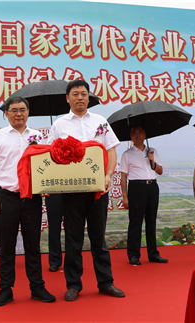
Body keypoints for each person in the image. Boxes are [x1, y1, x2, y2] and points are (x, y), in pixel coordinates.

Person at [47, 79, 125, 301]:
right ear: (67, 98)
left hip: (98, 189)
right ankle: (73, 284)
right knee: (73, 239)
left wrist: (108, 175)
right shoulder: (59, 124)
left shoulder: (100, 121)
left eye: (83, 93)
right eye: (75, 94)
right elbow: (51, 156)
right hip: (71, 192)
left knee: (98, 238)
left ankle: (106, 282)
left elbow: (111, 151)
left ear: (89, 97)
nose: (80, 97)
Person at [0, 96, 55, 306]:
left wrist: (46, 186)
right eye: (13, 110)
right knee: (6, 246)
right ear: (6, 113)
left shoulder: (37, 136)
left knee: (32, 245)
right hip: (6, 197)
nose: (18, 113)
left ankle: (37, 287)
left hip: (31, 198)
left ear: (28, 112)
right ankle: (5, 289)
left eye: (22, 109)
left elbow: (45, 165)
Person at [120, 126, 167, 265]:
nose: (137, 135)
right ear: (131, 137)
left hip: (152, 187)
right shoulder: (127, 154)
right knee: (136, 222)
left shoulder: (153, 151)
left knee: (151, 221)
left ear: (145, 135)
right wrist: (125, 196)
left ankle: (153, 254)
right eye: (134, 133)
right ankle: (134, 255)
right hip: (136, 187)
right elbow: (123, 176)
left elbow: (160, 171)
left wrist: (153, 161)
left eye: (140, 132)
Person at [45, 194, 63, 272]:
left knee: (73, 229)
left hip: (71, 191)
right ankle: (54, 261)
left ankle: (74, 260)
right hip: (53, 192)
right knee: (53, 228)